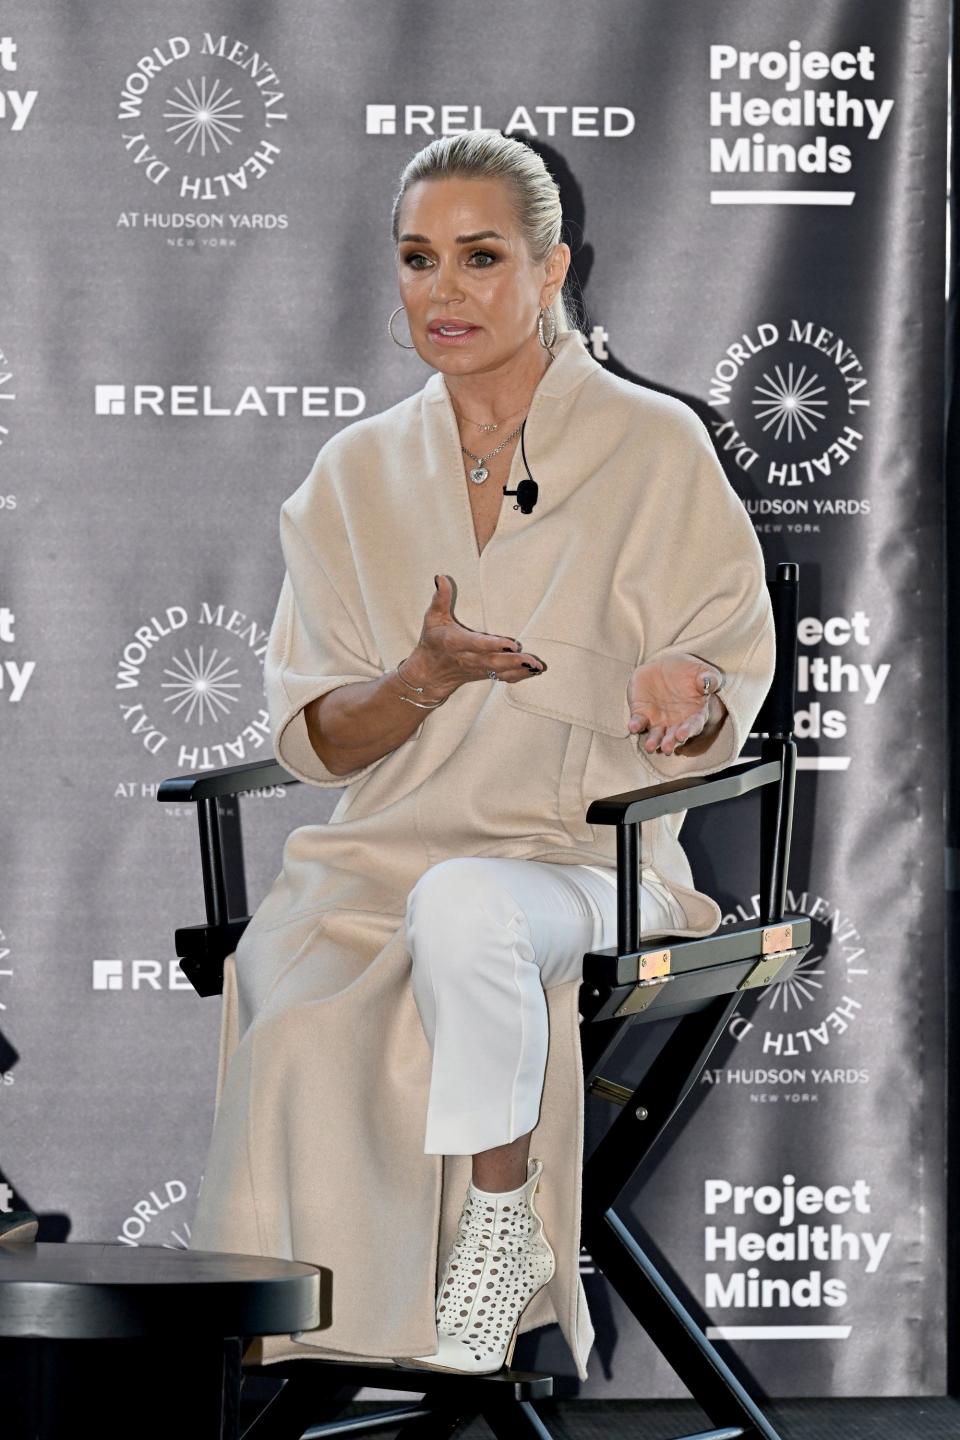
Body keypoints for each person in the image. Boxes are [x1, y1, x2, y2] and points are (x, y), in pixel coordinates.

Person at [187, 131, 776, 1383]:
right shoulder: (351, 475)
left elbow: (723, 670)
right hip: (374, 862)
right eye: (417, 260)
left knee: (468, 908)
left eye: (480, 257)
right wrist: (424, 677)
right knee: (297, 1012)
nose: (444, 291)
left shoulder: (654, 446)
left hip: (585, 865)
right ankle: (338, 1342)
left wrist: (693, 689)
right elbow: (316, 736)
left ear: (552, 269)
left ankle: (502, 1232)